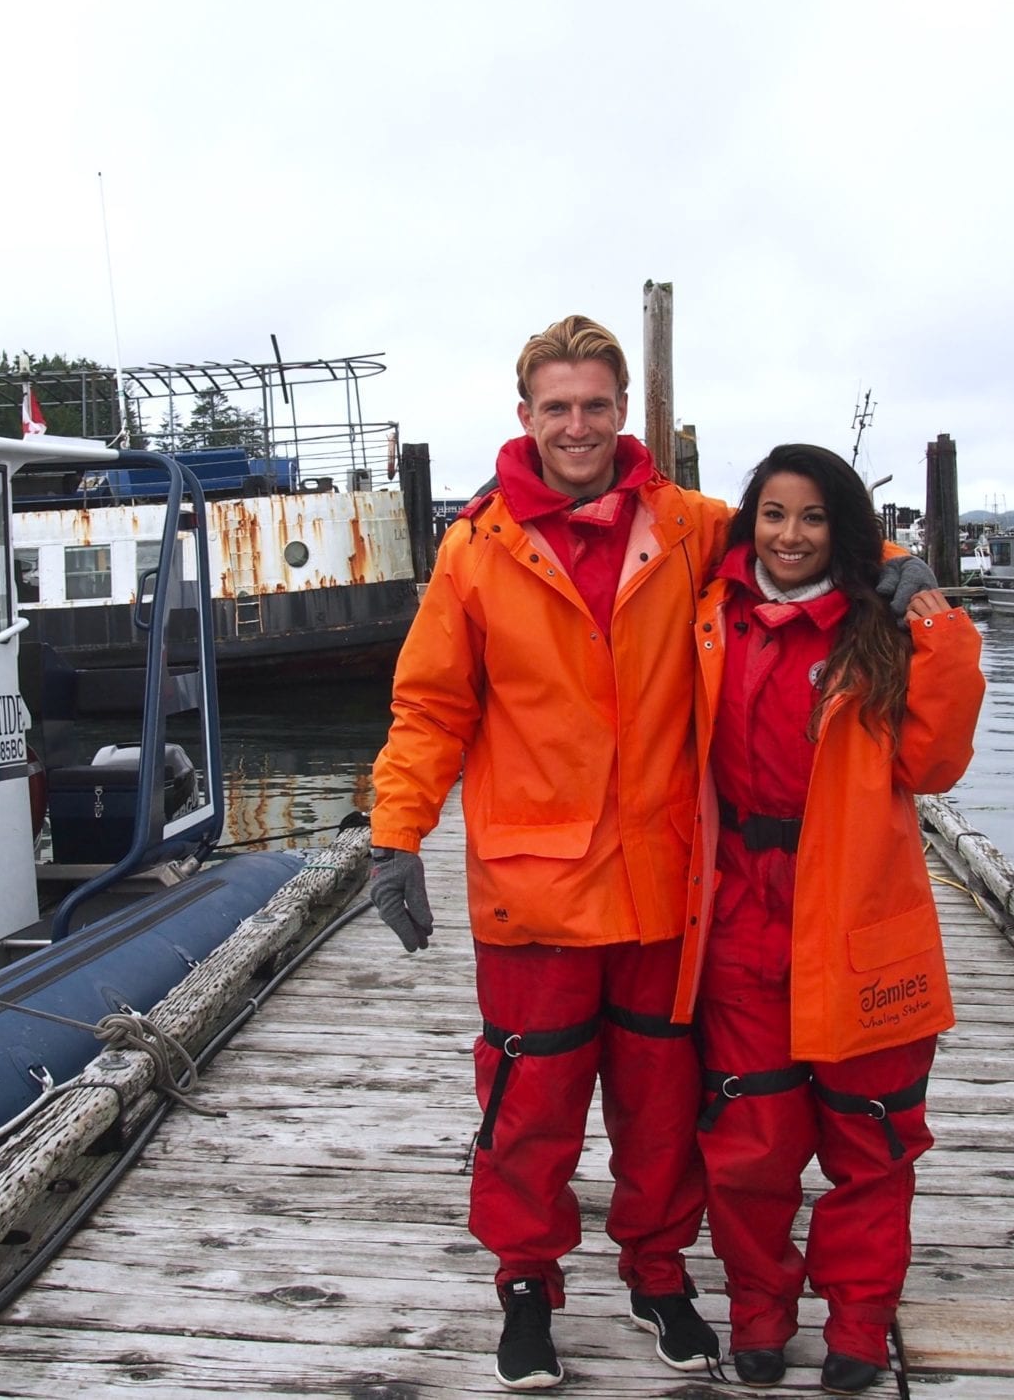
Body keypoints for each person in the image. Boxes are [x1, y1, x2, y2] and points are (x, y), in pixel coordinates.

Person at [367, 314, 732, 1390]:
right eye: (555, 407)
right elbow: (429, 705)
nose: (576, 425)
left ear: (624, 413)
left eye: (595, 405)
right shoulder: (474, 549)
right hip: (532, 893)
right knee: (525, 1110)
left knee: (662, 1107)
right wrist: (395, 836)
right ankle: (525, 1281)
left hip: (666, 886)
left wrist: (897, 577)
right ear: (523, 416)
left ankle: (657, 1272)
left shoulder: (693, 527)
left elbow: (815, 534)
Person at [670, 443, 984, 1392]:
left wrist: (932, 621)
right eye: (773, 514)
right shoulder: (710, 617)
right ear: (749, 522)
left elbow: (934, 766)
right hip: (741, 918)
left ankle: (857, 1326)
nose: (791, 535)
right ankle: (759, 1315)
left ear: (842, 528)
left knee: (871, 1140)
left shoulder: (882, 630)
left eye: (812, 518)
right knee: (749, 1143)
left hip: (860, 919)